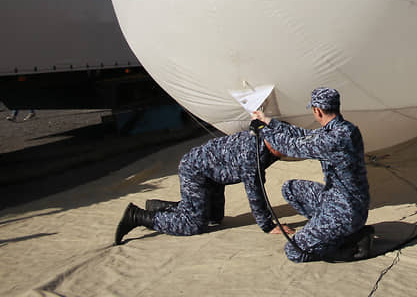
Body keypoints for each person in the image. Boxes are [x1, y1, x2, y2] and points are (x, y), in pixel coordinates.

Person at [251, 87, 371, 262]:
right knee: (290, 189)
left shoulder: (334, 139)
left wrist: (262, 129)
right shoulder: (343, 129)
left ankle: (349, 240)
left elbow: (292, 147)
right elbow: (304, 135)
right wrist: (268, 121)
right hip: (338, 199)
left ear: (318, 111)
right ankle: (327, 229)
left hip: (345, 211)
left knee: (294, 251)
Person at [114, 129, 282, 245]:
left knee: (214, 218)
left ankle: (160, 207)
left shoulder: (269, 136)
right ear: (272, 146)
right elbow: (255, 193)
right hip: (195, 170)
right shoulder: (252, 155)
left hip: (213, 174)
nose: (286, 153)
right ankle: (137, 216)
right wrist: (268, 226)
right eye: (284, 151)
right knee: (194, 224)